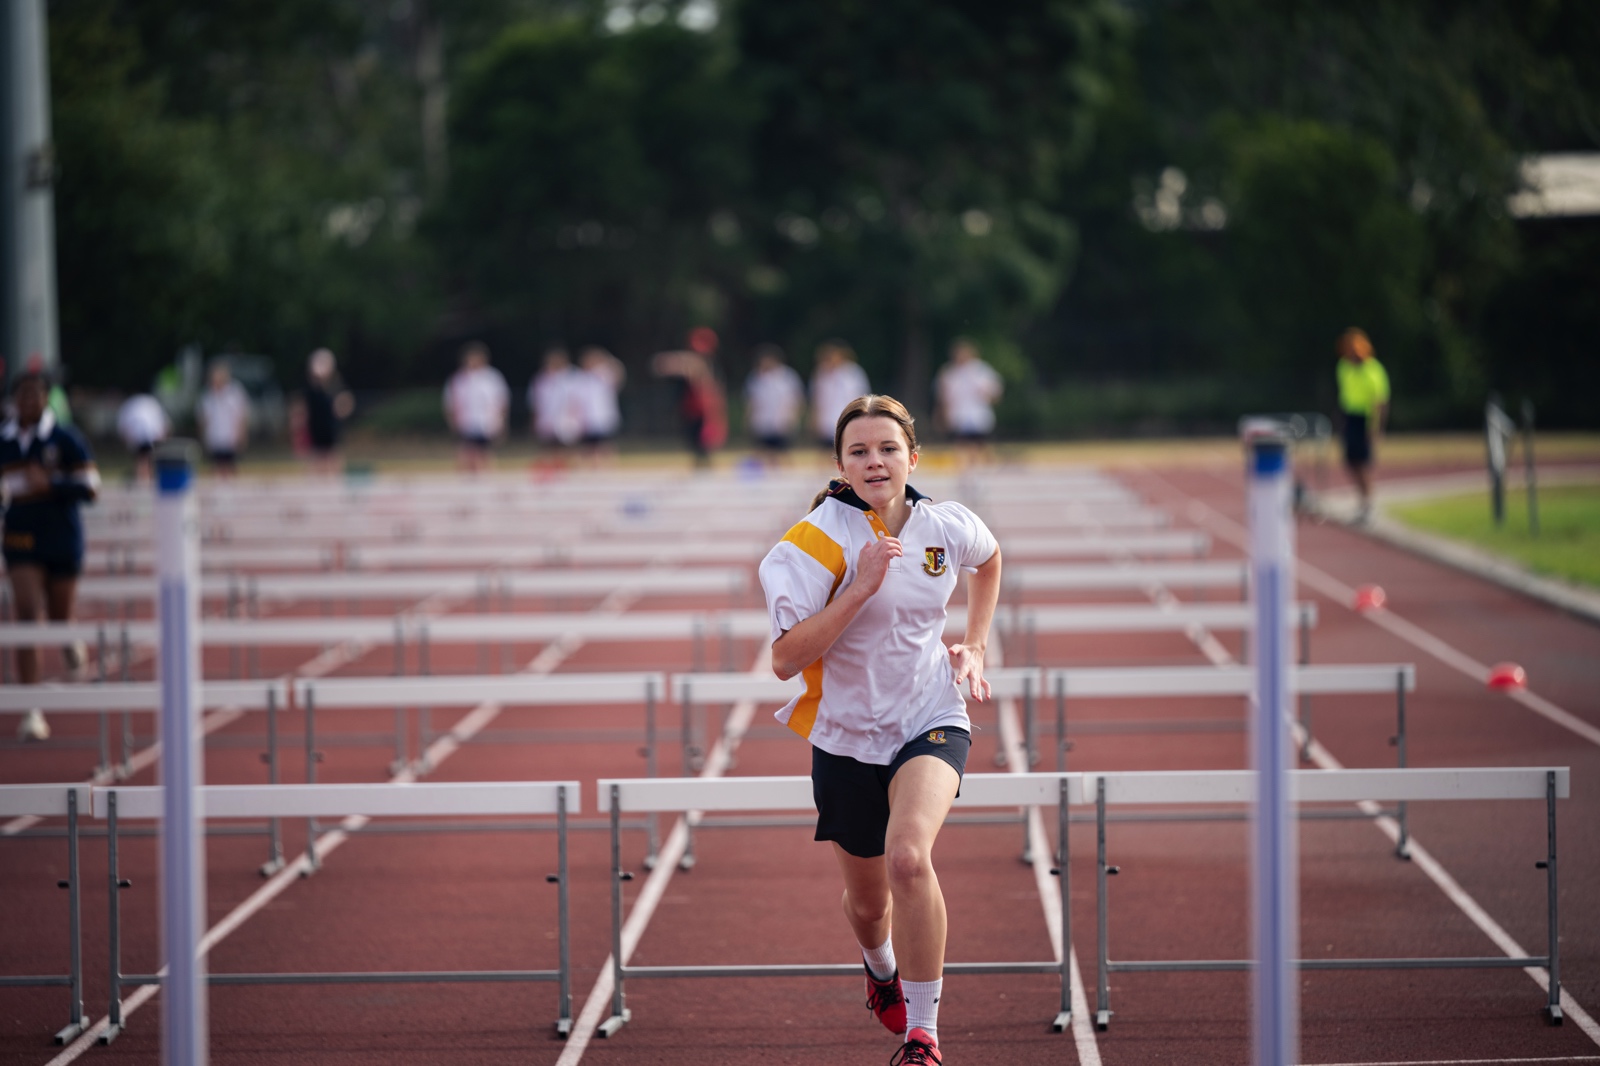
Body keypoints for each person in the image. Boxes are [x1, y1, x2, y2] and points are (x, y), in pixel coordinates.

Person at [759, 394, 1001, 1065]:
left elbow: (989, 560)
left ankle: (923, 1036)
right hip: (845, 736)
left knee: (908, 859)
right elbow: (785, 660)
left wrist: (975, 643)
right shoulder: (809, 545)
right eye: (859, 451)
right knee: (869, 907)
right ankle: (881, 967)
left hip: (930, 717)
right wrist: (860, 587)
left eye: (888, 448)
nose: (875, 461)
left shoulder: (944, 524)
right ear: (840, 464)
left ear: (912, 458)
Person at [2, 371, 101, 740]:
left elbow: (91, 487)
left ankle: (68, 635)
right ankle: (31, 710)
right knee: (28, 616)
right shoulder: (4, 441)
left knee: (58, 616)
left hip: (61, 538)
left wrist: (52, 484)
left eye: (35, 394)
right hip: (20, 540)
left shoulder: (66, 438)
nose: (28, 401)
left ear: (46, 399)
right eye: (22, 394)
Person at [1335, 327, 1390, 523]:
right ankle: (1363, 502)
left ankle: (1369, 504)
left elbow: (1381, 403)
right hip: (1350, 418)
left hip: (1366, 420)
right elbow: (1344, 396)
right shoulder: (1343, 367)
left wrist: (1377, 428)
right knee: (1351, 462)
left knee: (1363, 463)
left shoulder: (1373, 370)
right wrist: (1341, 421)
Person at [652, 331, 727, 469]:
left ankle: (704, 466)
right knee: (695, 443)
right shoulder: (702, 364)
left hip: (702, 410)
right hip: (692, 409)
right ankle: (701, 465)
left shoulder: (705, 366)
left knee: (703, 443)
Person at [443, 341, 511, 474]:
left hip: (487, 423)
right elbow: (450, 404)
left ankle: (487, 481)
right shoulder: (458, 379)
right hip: (466, 423)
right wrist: (452, 422)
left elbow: (502, 401)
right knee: (465, 454)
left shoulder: (492, 378)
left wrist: (501, 422)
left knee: (485, 455)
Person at [934, 339, 1003, 463]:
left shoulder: (980, 370)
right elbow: (944, 394)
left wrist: (989, 396)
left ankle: (982, 462)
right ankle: (966, 466)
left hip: (978, 412)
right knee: (962, 440)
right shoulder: (950, 373)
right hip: (960, 413)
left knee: (979, 441)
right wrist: (943, 412)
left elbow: (994, 389)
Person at [744, 344, 805, 464]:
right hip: (762, 422)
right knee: (762, 453)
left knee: (782, 453)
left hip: (782, 421)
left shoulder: (787, 377)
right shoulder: (755, 378)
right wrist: (748, 419)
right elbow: (751, 401)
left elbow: (797, 399)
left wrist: (794, 417)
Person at [811, 340, 871, 448]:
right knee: (827, 449)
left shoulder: (852, 372)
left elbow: (861, 395)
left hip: (848, 417)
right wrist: (816, 418)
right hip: (827, 421)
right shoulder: (821, 374)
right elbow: (817, 398)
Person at [304, 348, 354, 477]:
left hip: (331, 429)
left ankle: (333, 481)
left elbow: (347, 402)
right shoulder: (312, 390)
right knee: (317, 459)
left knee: (333, 458)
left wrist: (342, 409)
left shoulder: (335, 387)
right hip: (316, 429)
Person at [573, 346, 626, 464]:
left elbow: (619, 373)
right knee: (586, 447)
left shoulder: (605, 375)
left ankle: (607, 467)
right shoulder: (580, 378)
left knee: (604, 445)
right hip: (586, 419)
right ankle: (589, 468)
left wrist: (606, 359)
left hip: (603, 417)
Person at [198, 361, 251, 477]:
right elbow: (204, 418)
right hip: (215, 438)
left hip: (230, 438)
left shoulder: (235, 392)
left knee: (231, 467)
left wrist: (242, 434)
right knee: (216, 467)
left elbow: (241, 415)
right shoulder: (208, 395)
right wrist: (204, 436)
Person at [529, 346, 583, 458]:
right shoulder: (542, 379)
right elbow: (536, 403)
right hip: (547, 421)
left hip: (568, 421)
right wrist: (536, 420)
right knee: (549, 450)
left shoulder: (573, 377)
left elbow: (580, 401)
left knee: (570, 451)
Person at [116, 392, 169, 484]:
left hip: (137, 434)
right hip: (149, 433)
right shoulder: (152, 403)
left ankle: (142, 476)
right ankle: (144, 477)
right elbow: (163, 423)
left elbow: (122, 424)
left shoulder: (131, 403)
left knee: (142, 457)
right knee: (146, 457)